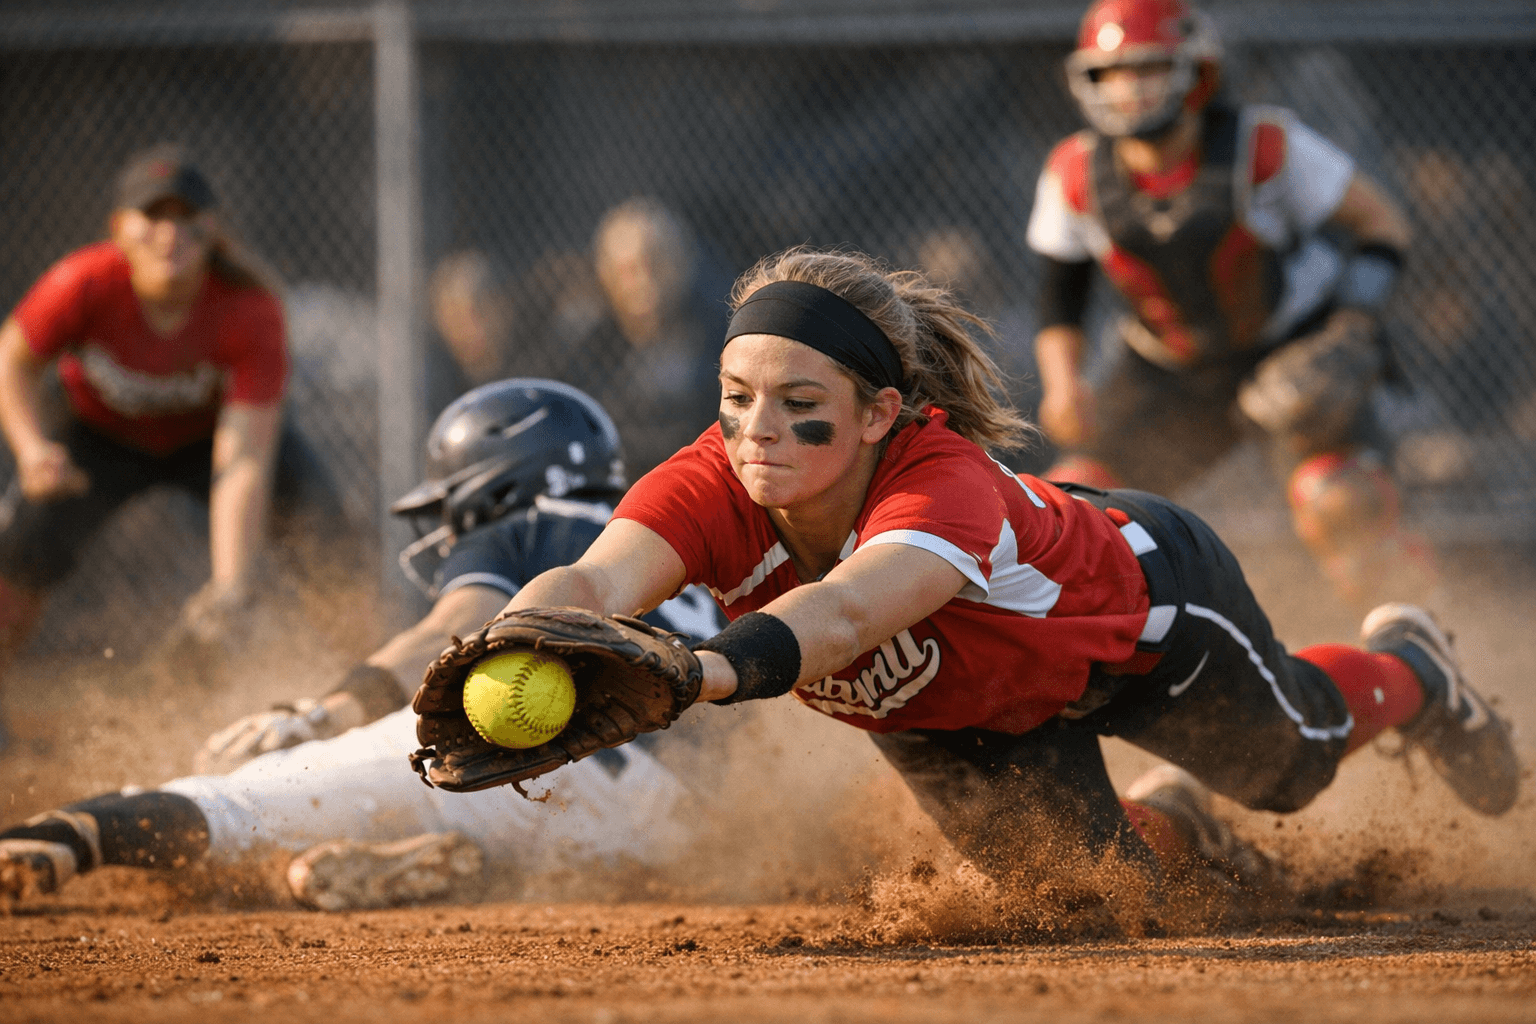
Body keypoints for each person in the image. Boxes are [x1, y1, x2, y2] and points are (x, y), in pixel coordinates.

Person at [473, 247, 1518, 920]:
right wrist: (519, 638)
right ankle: (1177, 818)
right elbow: (596, 576)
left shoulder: (944, 483)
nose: (757, 432)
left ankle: (1414, 666)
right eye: (737, 397)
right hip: (951, 713)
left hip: (1142, 619)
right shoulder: (712, 478)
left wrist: (691, 675)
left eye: (800, 402)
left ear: (882, 411)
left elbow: (842, 611)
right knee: (1093, 903)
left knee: (1294, 771)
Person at [0, 380, 725, 911]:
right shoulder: (661, 532)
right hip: (684, 818)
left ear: (500, 480)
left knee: (246, 797)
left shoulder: (528, 524)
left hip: (552, 762)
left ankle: (70, 835)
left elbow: (454, 629)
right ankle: (471, 870)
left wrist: (324, 711)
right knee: (534, 841)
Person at [1025, 0, 1426, 608]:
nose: (1130, 89)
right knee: (1072, 511)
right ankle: (1120, 667)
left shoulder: (1262, 145)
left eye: (1150, 68)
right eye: (1113, 73)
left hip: (1289, 350)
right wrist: (1063, 384)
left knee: (1339, 501)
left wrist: (1349, 327)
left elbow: (1382, 224)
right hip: (1168, 369)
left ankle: (1413, 629)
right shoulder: (1074, 171)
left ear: (1198, 74)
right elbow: (1062, 294)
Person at [0, 145, 287, 743]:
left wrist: (231, 588)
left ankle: (347, 689)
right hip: (99, 435)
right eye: (152, 216)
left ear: (212, 230)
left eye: (187, 217)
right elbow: (13, 358)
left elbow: (243, 463)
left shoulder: (249, 309)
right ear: (119, 231)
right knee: (20, 555)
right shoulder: (84, 283)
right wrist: (30, 449)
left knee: (321, 530)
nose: (170, 233)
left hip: (207, 439)